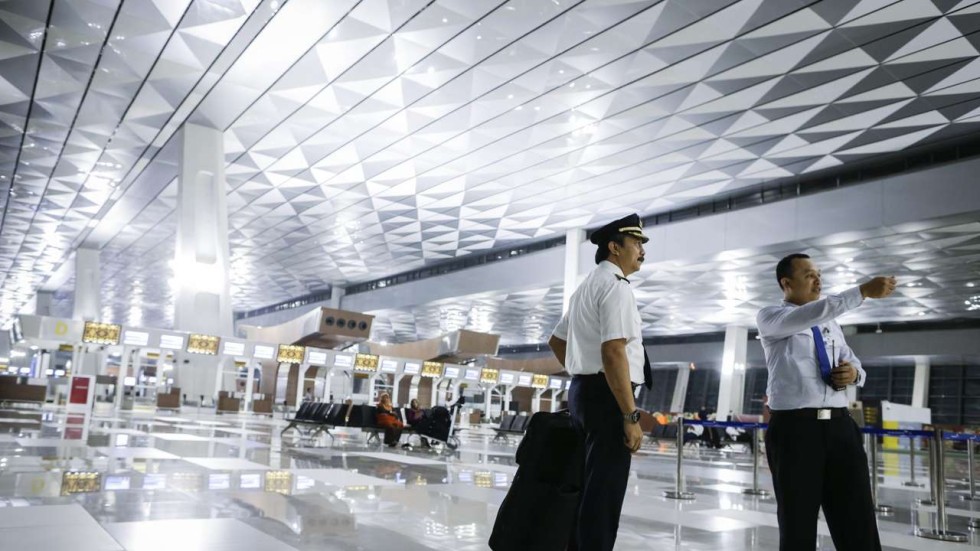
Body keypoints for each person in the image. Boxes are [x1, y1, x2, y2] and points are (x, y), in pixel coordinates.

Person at [757, 253, 896, 551]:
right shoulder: (772, 318)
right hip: (796, 431)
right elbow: (810, 314)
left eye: (819, 273)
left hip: (839, 427)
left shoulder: (830, 323)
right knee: (798, 523)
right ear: (786, 282)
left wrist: (853, 373)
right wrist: (861, 292)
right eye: (808, 274)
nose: (817, 279)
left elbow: (854, 362)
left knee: (857, 518)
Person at [548, 213, 652, 551]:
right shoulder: (616, 286)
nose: (642, 250)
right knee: (603, 495)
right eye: (636, 243)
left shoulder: (585, 287)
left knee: (586, 488)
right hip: (607, 399)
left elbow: (556, 341)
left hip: (582, 393)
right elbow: (614, 352)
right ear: (614, 247)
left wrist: (581, 371)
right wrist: (630, 415)